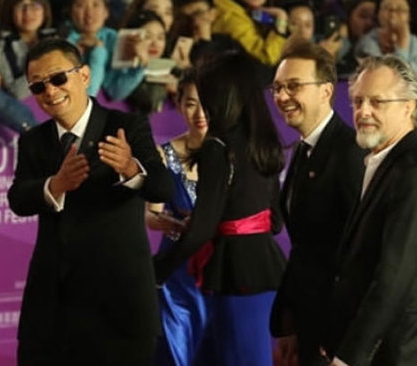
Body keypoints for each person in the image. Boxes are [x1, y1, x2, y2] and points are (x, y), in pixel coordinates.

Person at [7, 38, 174, 365]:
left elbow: (162, 188)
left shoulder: (126, 126)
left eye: (58, 79)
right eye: (38, 87)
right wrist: (56, 185)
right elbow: (18, 198)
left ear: (84, 76)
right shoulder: (33, 141)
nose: (50, 92)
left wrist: (129, 168)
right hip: (52, 310)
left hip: (119, 308)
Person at [153, 51, 287, 366]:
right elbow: (276, 220)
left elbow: (202, 227)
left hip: (234, 274)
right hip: (264, 268)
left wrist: (157, 271)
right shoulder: (262, 141)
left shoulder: (217, 148)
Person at [268, 39, 366, 366]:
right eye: (278, 87)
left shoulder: (349, 153)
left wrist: (347, 340)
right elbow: (304, 249)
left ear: (326, 91)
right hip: (308, 321)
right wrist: (292, 324)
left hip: (337, 332)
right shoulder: (302, 149)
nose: (282, 97)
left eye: (294, 86)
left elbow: (360, 254)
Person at [321, 55, 417, 366]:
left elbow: (395, 274)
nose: (363, 111)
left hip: (392, 350)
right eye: (358, 100)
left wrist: (350, 356)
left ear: (409, 106)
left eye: (377, 102)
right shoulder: (385, 158)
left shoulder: (412, 168)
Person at [147, 69, 208, 366]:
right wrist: (175, 224)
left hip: (218, 272)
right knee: (176, 354)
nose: (200, 113)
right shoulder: (164, 154)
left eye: (207, 102)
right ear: (180, 104)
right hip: (177, 275)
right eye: (191, 103)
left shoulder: (232, 155)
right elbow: (151, 215)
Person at [355, 0, 417, 71]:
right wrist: (402, 45)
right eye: (388, 8)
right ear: (378, 14)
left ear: (409, 16)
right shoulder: (367, 42)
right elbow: (388, 74)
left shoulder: (414, 41)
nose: (393, 14)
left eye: (400, 9)